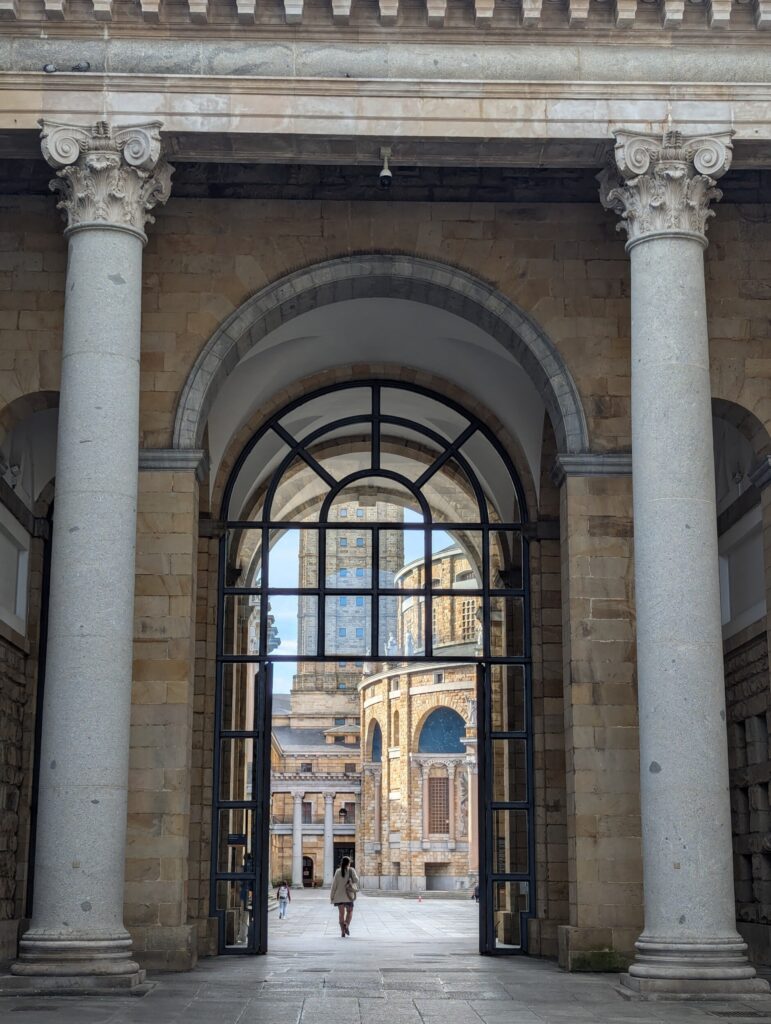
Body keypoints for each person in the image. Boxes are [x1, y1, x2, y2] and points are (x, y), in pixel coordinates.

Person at [330, 856, 359, 937]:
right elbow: (356, 880)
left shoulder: (337, 871)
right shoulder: (351, 870)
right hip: (348, 896)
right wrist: (351, 880)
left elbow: (334, 885)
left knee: (341, 914)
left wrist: (332, 896)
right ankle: (346, 924)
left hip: (339, 897)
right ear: (349, 863)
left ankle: (342, 931)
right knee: (349, 912)